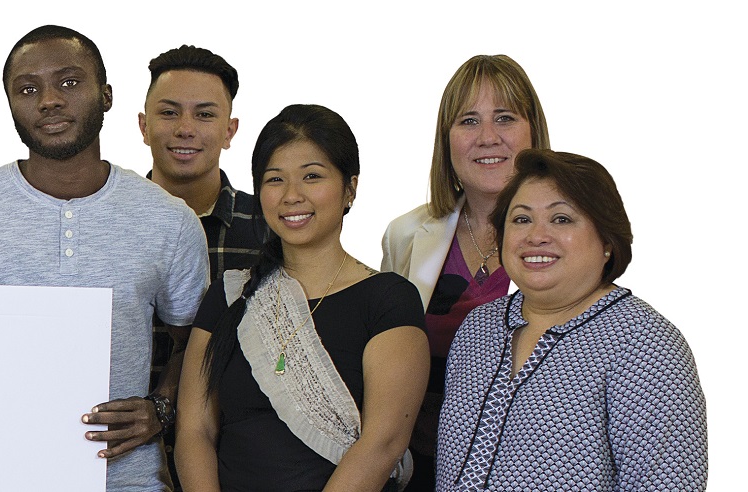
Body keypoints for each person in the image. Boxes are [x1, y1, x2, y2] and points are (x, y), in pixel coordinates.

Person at [0, 25, 207, 490]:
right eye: (27, 89)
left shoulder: (168, 220)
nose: (48, 100)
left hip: (124, 480)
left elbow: (195, 343)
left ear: (106, 95)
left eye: (69, 82)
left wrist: (161, 407)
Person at [174, 104, 425, 491]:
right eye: (275, 179)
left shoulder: (389, 300)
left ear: (350, 189)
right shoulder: (230, 294)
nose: (291, 195)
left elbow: (383, 444)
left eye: (312, 176)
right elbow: (195, 431)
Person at [437, 150, 705, 490]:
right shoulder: (478, 327)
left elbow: (666, 484)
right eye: (521, 219)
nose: (536, 236)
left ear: (607, 240)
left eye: (561, 219)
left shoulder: (644, 342)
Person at [377, 55, 548, 488]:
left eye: (505, 118)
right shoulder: (405, 235)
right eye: (468, 121)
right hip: (413, 468)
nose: (487, 137)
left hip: (531, 469)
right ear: (446, 140)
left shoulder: (567, 237)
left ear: (533, 132)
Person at [133, 45, 269, 489]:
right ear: (143, 125)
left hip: (238, 462)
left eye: (205, 115)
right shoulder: (107, 222)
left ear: (230, 130)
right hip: (116, 455)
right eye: (169, 113)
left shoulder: (271, 228)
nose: (185, 129)